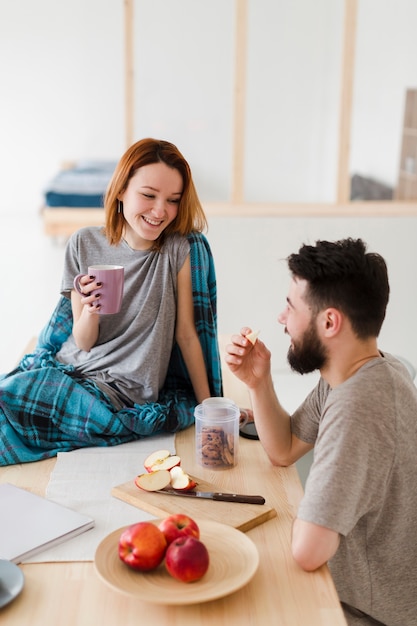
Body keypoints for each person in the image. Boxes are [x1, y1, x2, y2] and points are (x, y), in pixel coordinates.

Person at [225, 238, 417, 626]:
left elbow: (308, 552)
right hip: (351, 590)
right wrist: (258, 382)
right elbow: (286, 447)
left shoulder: (358, 406)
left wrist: (308, 516)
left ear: (329, 322)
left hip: (365, 612)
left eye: (291, 307)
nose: (281, 318)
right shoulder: (363, 370)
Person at [0, 138, 222, 465]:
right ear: (121, 191)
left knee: (13, 404)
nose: (160, 211)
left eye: (172, 200)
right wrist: (90, 310)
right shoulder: (83, 243)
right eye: (148, 195)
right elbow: (83, 341)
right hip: (70, 367)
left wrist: (210, 409)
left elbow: (187, 335)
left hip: (120, 391)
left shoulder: (178, 250)